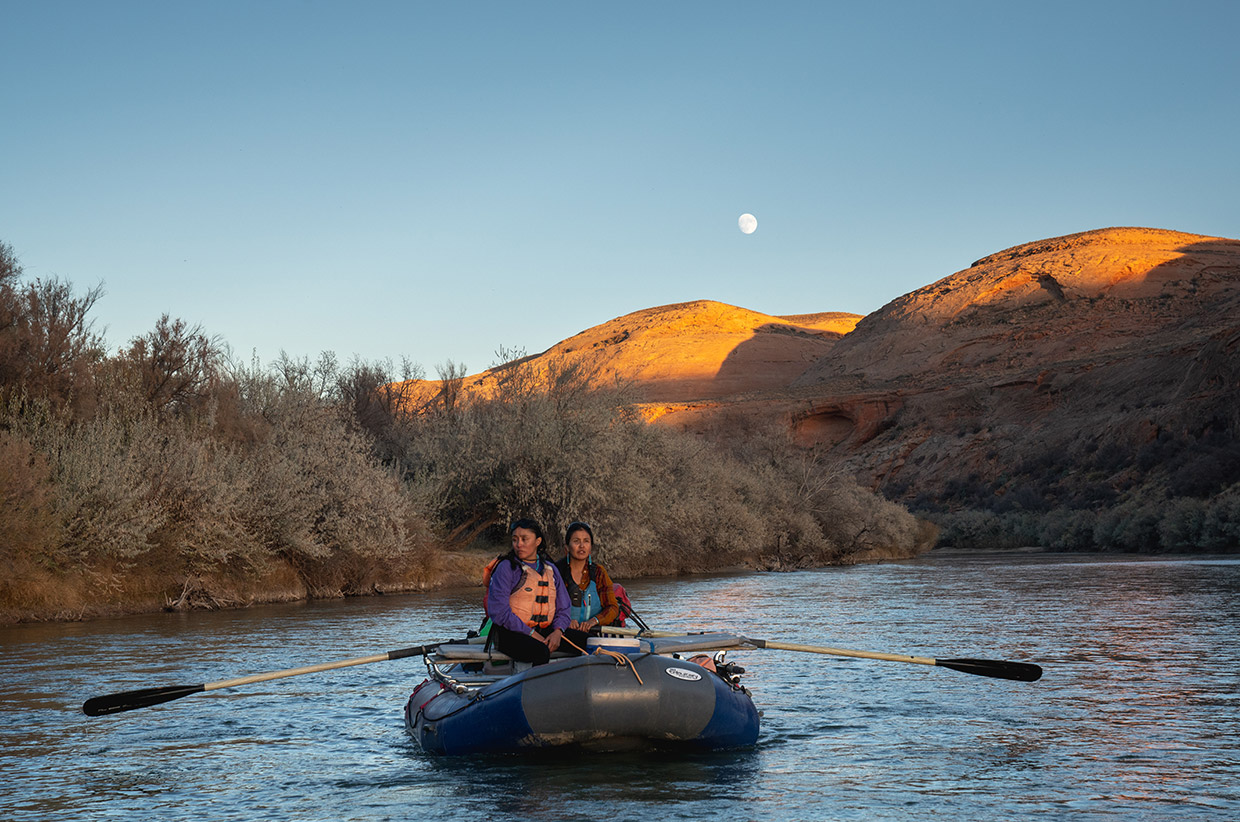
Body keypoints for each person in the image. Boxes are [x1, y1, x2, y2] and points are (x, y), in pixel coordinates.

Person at [485, 518, 588, 665]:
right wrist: (531, 633)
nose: (519, 544)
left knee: (587, 641)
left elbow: (564, 608)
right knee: (540, 651)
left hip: (543, 630)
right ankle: (536, 687)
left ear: (537, 541)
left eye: (524, 539)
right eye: (515, 540)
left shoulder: (551, 570)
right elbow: (500, 612)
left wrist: (558, 632)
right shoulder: (506, 568)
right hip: (509, 633)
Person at [554, 521, 619, 633]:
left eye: (586, 541)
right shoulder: (556, 571)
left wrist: (594, 621)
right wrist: (564, 621)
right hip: (563, 632)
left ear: (590, 548)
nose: (582, 546)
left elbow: (612, 607)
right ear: (567, 547)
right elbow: (547, 607)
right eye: (576, 541)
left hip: (594, 631)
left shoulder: (599, 572)